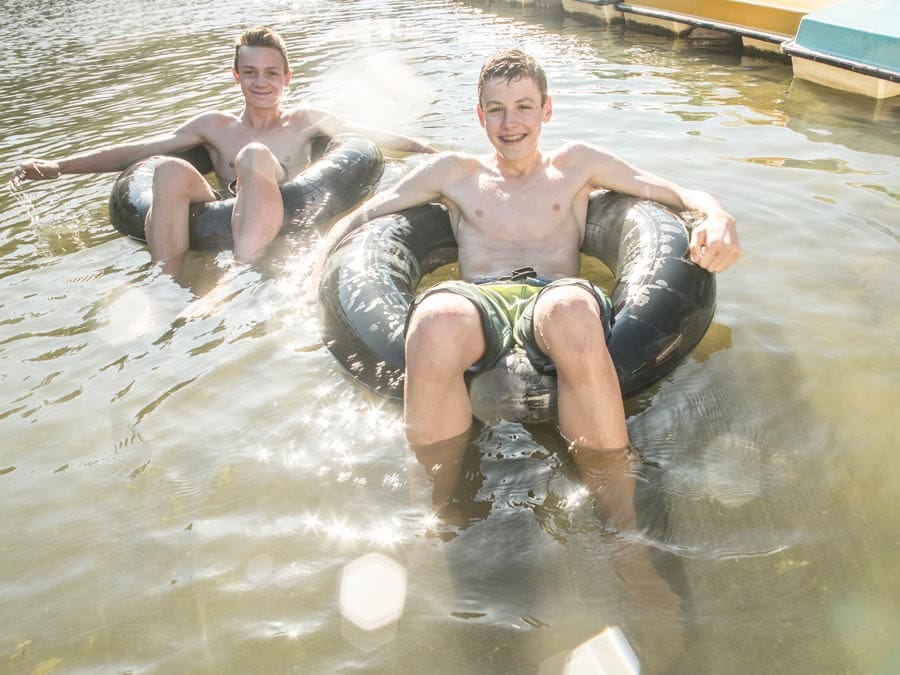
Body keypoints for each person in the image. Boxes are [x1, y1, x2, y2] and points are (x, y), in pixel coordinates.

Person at [312, 48, 741, 457]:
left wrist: (717, 214)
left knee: (571, 308)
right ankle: (436, 514)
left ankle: (619, 512)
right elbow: (364, 215)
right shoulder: (454, 172)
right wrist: (315, 274)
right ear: (480, 116)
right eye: (495, 108)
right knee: (433, 319)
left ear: (546, 110)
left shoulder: (575, 165)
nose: (509, 122)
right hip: (479, 301)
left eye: (523, 106)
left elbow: (673, 191)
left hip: (553, 294)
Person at [12, 26, 435, 277]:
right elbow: (142, 149)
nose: (261, 83)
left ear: (287, 78)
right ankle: (167, 281)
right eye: (249, 73)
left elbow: (365, 136)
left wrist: (422, 148)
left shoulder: (306, 120)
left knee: (253, 156)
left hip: (281, 207)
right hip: (224, 207)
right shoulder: (214, 126)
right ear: (236, 76)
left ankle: (240, 276)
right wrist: (59, 166)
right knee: (167, 171)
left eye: (271, 73)